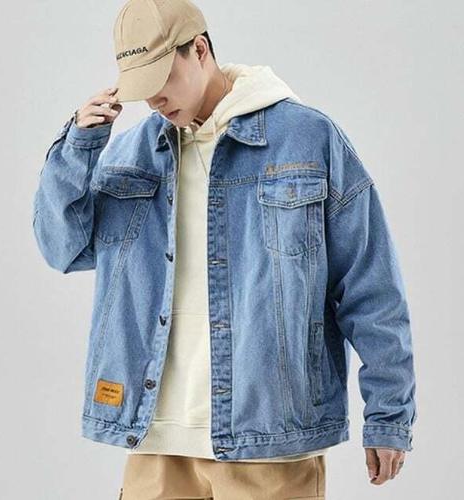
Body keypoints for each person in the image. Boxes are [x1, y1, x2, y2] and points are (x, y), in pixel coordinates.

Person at [32, 1, 417, 498]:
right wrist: (78, 149)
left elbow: (370, 286)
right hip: (155, 438)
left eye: (160, 78)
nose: (153, 99)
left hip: (269, 439)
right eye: (140, 86)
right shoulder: (130, 155)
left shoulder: (307, 140)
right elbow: (62, 249)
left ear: (199, 50)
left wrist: (389, 415)